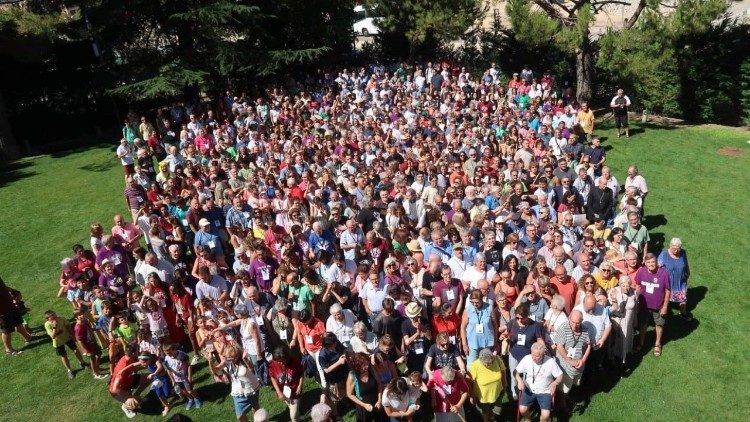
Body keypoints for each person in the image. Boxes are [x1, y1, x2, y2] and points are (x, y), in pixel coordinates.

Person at [553, 309, 591, 415]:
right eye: (572, 322)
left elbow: (588, 345)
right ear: (569, 319)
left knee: (570, 385)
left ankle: (567, 398)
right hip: (564, 365)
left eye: (578, 323)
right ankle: (563, 406)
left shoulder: (585, 329)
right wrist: (569, 361)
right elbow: (559, 346)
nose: (575, 325)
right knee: (563, 389)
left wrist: (583, 360)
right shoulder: (563, 328)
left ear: (582, 320)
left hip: (579, 365)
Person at [515, 342, 564, 422]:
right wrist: (519, 380)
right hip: (529, 389)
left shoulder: (550, 361)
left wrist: (555, 383)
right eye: (532, 355)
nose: (534, 358)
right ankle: (528, 419)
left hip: (545, 391)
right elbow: (515, 372)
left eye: (537, 356)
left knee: (546, 415)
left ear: (543, 354)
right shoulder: (527, 359)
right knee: (522, 409)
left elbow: (560, 375)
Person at [634, 253, 671, 357]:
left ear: (657, 262)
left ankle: (657, 344)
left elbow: (668, 291)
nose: (651, 264)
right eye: (648, 262)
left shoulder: (664, 273)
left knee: (659, 324)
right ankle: (641, 343)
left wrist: (665, 306)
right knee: (643, 324)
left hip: (658, 306)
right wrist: (636, 302)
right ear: (645, 263)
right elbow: (637, 285)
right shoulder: (641, 271)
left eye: (653, 262)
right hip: (644, 304)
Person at [109, 344, 150, 418]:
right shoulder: (122, 368)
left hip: (129, 380)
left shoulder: (128, 358)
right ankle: (125, 407)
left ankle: (136, 395)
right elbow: (114, 389)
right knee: (135, 403)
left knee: (149, 377)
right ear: (134, 353)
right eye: (138, 350)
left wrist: (144, 363)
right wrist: (128, 397)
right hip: (119, 390)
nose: (139, 351)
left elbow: (133, 366)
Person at [44, 310, 87, 379]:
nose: (55, 318)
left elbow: (68, 327)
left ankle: (82, 363)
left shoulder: (62, 319)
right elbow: (52, 336)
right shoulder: (47, 324)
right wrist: (54, 327)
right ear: (47, 319)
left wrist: (73, 336)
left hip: (67, 338)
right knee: (64, 356)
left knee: (75, 349)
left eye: (54, 315)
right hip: (57, 342)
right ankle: (69, 370)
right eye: (52, 317)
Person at [223, 344, 261, 422]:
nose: (229, 360)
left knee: (255, 407)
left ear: (237, 356)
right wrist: (210, 362)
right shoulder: (227, 362)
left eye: (231, 358)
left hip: (252, 387)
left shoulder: (244, 360)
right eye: (228, 358)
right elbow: (216, 370)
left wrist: (245, 359)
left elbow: (251, 368)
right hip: (238, 392)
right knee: (240, 416)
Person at [468, 348, 506, 422]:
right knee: (485, 411)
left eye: (491, 363)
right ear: (480, 360)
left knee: (493, 408)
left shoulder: (497, 359)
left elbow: (503, 371)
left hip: (496, 392)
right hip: (483, 396)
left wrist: (505, 383)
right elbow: (469, 381)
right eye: (486, 364)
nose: (489, 365)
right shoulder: (475, 365)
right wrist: (472, 395)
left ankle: (491, 417)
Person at [460, 289, 496, 367]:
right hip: (473, 343)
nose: (474, 304)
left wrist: (496, 343)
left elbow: (495, 326)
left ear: (482, 299)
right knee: (471, 367)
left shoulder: (489, 308)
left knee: (486, 366)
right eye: (472, 302)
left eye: (477, 302)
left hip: (487, 343)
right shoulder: (468, 309)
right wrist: (464, 344)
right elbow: (463, 328)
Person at [269, 344, 304, 422]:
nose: (281, 363)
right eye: (278, 361)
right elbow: (273, 377)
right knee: (292, 409)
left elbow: (301, 373)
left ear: (287, 356)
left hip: (295, 391)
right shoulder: (273, 364)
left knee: (293, 415)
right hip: (283, 392)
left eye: (283, 360)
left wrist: (300, 385)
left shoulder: (295, 362)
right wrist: (278, 392)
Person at [346, 352, 385, 422]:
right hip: (363, 407)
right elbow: (350, 394)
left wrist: (379, 400)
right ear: (357, 365)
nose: (367, 366)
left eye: (367, 363)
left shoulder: (371, 369)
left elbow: (379, 384)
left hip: (377, 403)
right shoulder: (352, 376)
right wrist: (364, 405)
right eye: (363, 365)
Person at [658, 237, 691, 320]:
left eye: (678, 249)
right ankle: (662, 314)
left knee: (683, 300)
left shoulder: (683, 253)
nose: (676, 251)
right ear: (670, 246)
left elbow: (685, 263)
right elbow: (657, 267)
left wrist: (688, 273)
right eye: (674, 249)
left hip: (681, 281)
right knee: (665, 299)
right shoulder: (664, 254)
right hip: (668, 282)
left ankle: (683, 314)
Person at [163, 342, 203, 409]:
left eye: (169, 353)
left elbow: (189, 366)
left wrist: (189, 377)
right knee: (183, 391)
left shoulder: (182, 355)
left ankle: (197, 398)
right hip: (176, 379)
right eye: (166, 353)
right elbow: (168, 370)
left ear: (174, 349)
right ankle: (190, 399)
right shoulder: (167, 359)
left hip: (185, 377)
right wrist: (172, 380)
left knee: (190, 390)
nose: (168, 355)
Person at [0, 276, 33, 355]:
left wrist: (11, 290)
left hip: (10, 305)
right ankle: (8, 350)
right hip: (2, 312)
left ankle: (28, 338)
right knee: (6, 330)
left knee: (18, 323)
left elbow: (2, 286)